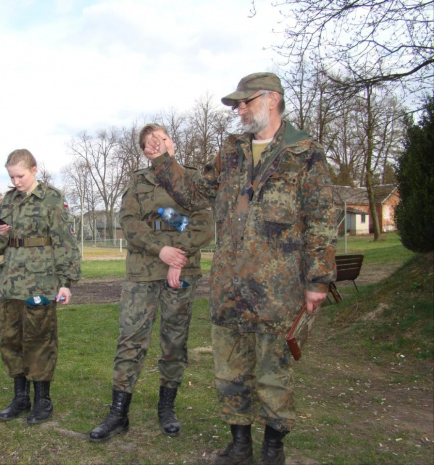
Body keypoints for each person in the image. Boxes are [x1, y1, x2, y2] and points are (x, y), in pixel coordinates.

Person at [142, 73, 337, 465]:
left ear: (273, 99)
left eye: (246, 102)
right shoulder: (231, 150)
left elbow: (321, 217)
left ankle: (272, 449)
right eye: (238, 104)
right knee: (230, 370)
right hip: (229, 285)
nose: (241, 110)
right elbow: (195, 193)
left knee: (273, 371)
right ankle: (240, 444)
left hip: (277, 288)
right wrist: (163, 159)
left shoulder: (304, 152)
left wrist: (318, 278)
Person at [88, 124, 214, 443]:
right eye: (148, 143)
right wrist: (161, 250)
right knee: (130, 340)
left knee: (174, 342)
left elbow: (205, 224)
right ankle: (118, 413)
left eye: (161, 138)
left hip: (181, 273)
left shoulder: (193, 178)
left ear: (172, 142)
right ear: (145, 151)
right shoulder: (138, 181)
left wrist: (179, 255)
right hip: (142, 272)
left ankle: (166, 409)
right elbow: (128, 223)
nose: (155, 144)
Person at [0, 149, 81, 425]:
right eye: (11, 176)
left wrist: (65, 283)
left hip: (40, 283)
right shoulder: (8, 200)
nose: (16, 181)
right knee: (10, 340)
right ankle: (21, 398)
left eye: (20, 175)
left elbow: (65, 243)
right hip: (9, 284)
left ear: (34, 169)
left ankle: (42, 401)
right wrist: (0, 234)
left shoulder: (51, 199)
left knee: (39, 341)